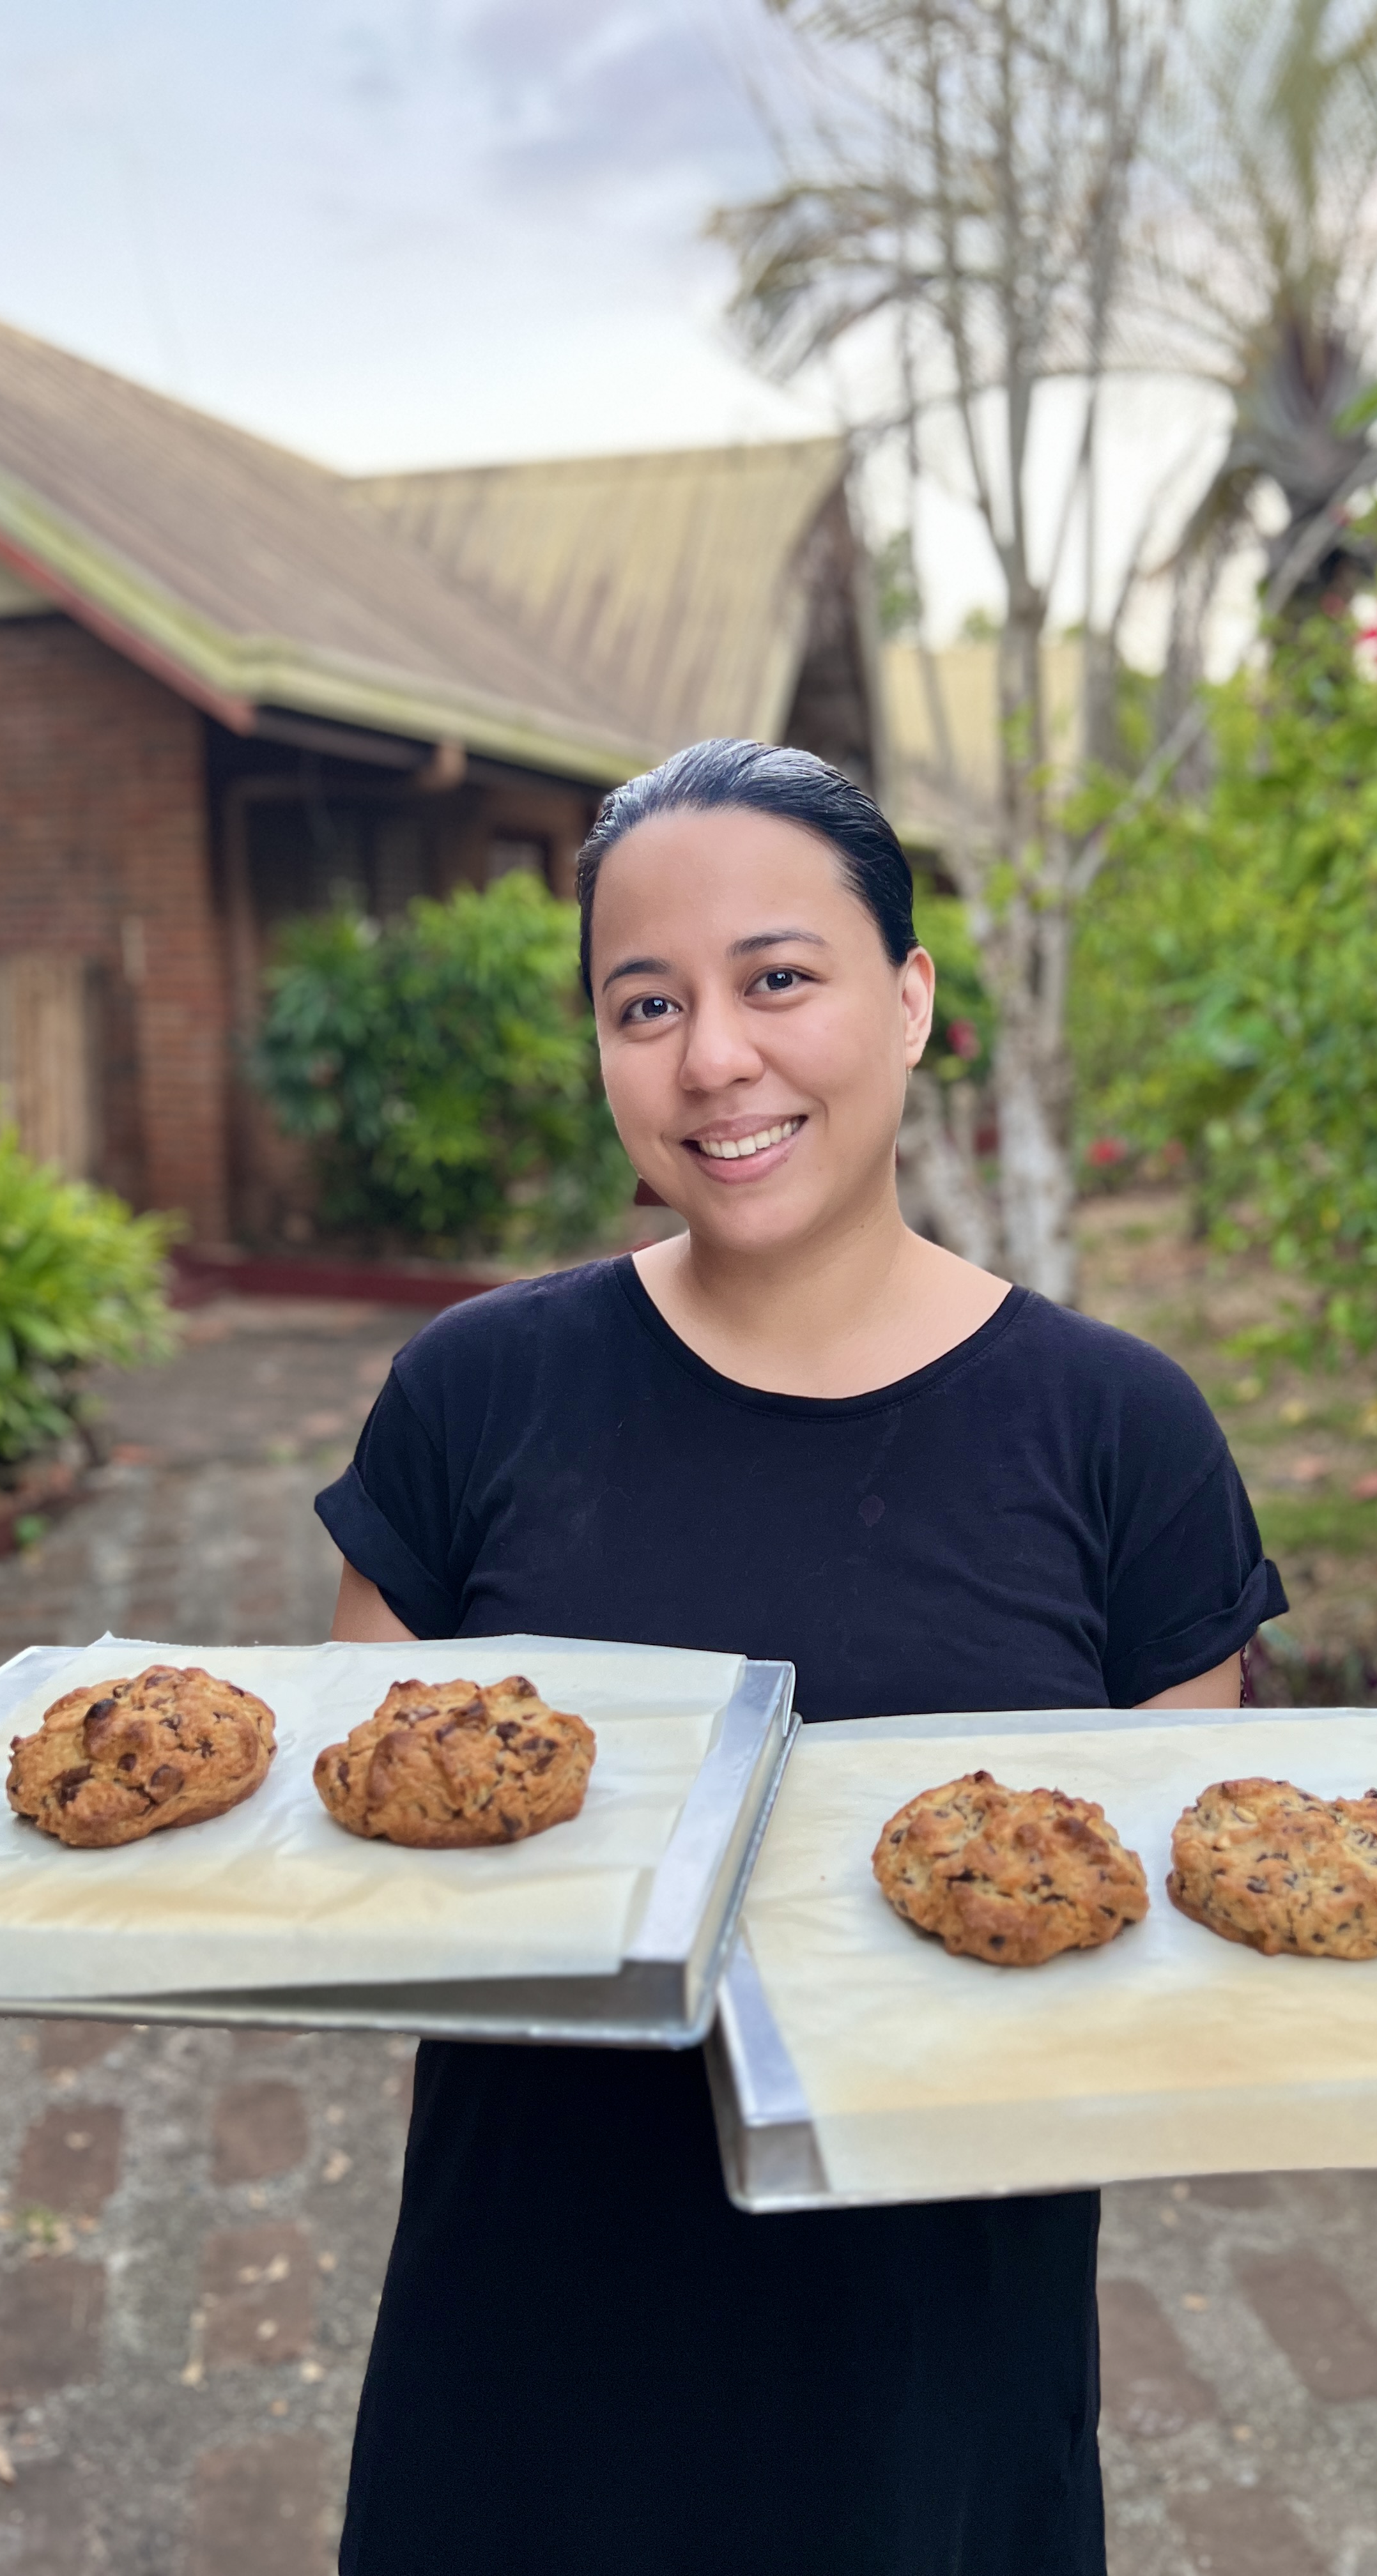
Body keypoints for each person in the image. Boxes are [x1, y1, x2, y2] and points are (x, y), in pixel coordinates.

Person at [317, 738, 1286, 2575]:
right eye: (646, 1002)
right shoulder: (472, 1398)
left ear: (911, 1000)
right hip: (526, 2364)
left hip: (933, 2377)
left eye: (779, 979)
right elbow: (367, 1878)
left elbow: (1159, 1957)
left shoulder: (1117, 1436)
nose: (713, 1060)